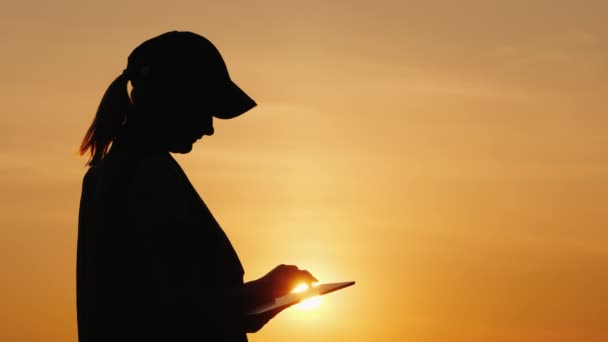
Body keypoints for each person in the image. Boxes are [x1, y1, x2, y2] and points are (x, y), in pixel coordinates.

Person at [76, 31, 317, 342]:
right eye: (205, 109)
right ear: (175, 98)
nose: (209, 128)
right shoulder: (147, 176)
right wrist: (262, 291)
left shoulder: (110, 173)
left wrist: (253, 304)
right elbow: (169, 310)